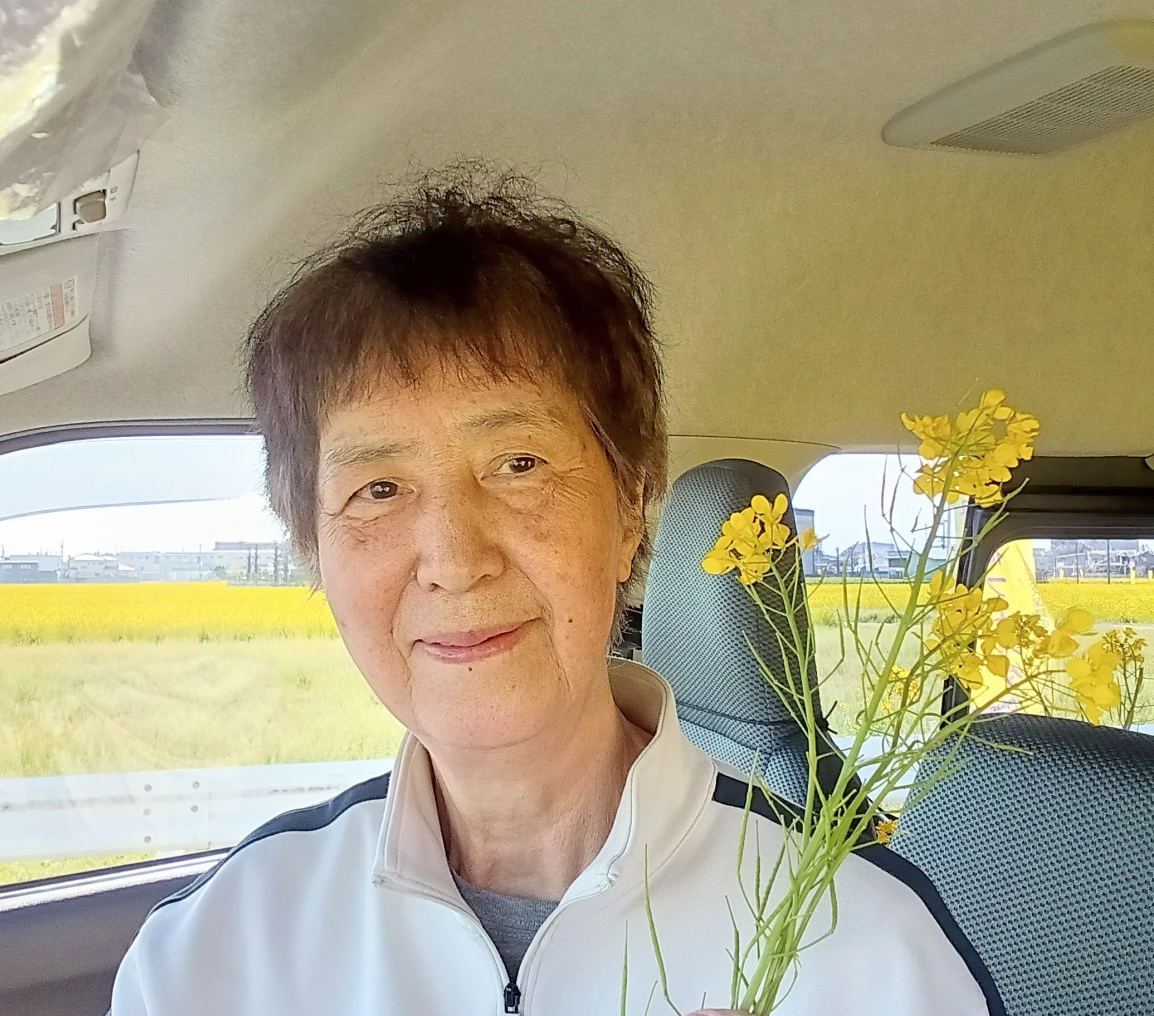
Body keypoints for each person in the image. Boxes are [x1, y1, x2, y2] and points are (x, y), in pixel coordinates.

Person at [109, 169, 1003, 1015]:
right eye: (377, 488)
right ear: (313, 548)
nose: (454, 559)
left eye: (519, 464)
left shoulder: (864, 935)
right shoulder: (212, 951)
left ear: (630, 511)